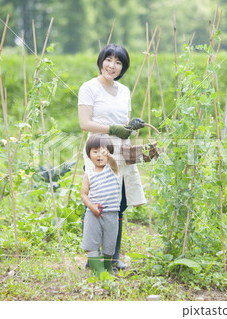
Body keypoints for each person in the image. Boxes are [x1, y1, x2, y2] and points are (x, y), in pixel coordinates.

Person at [78, 44, 146, 270]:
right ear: (101, 61)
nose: (112, 66)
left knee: (119, 203)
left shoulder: (124, 91)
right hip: (98, 150)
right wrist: (112, 129)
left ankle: (113, 258)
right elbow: (85, 123)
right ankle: (94, 259)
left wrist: (131, 126)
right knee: (98, 204)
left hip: (120, 152)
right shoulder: (89, 88)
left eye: (119, 62)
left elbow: (124, 124)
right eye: (109, 60)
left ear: (123, 68)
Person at [81, 134, 120, 277]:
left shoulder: (112, 169)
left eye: (102, 152)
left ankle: (107, 267)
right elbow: (84, 194)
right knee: (91, 242)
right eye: (95, 151)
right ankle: (98, 271)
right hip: (93, 214)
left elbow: (114, 162)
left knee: (109, 242)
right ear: (89, 154)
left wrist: (109, 157)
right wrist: (92, 207)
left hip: (111, 213)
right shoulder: (88, 174)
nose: (99, 155)